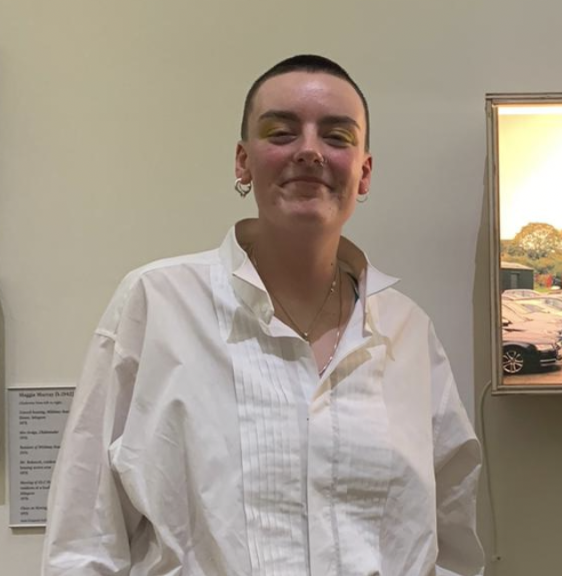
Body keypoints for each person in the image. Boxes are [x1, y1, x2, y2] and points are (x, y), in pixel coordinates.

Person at [41, 55, 484, 576]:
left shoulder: (408, 332)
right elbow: (84, 541)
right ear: (242, 161)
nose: (310, 151)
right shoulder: (156, 304)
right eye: (281, 132)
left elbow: (450, 541)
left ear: (363, 173)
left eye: (337, 137)